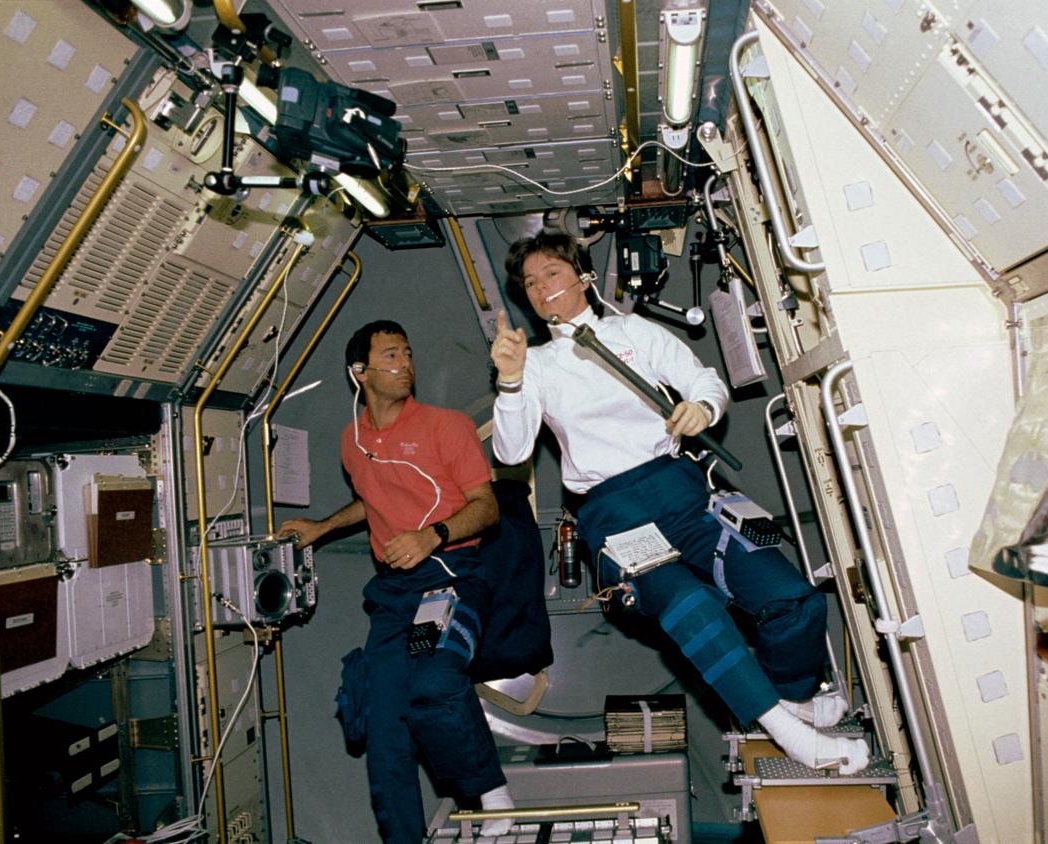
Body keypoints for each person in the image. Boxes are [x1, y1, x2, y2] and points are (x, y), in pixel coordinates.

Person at [490, 232, 869, 773]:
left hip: (680, 491)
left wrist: (702, 409)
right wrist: (509, 380)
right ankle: (792, 736)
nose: (540, 287)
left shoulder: (632, 331)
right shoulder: (536, 365)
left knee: (793, 600)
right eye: (529, 283)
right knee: (690, 604)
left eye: (551, 272)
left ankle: (793, 698)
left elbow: (705, 382)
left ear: (582, 274)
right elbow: (510, 451)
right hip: (613, 511)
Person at [278, 320, 514, 843]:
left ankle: (490, 791)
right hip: (393, 594)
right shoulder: (353, 439)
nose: (404, 364)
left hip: (447, 578)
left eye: (407, 353)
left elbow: (487, 507)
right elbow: (373, 498)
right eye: (390, 355)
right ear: (359, 372)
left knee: (433, 681)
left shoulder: (445, 426)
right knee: (383, 725)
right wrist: (321, 527)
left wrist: (433, 535)